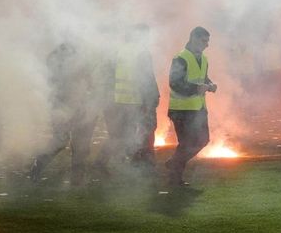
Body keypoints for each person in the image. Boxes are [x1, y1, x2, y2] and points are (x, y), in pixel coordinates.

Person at [30, 42, 98, 186]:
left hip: (81, 105)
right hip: (62, 106)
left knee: (80, 144)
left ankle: (77, 181)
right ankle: (39, 164)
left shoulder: (80, 59)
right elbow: (51, 85)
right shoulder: (55, 60)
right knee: (61, 141)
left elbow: (89, 82)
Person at [94, 24, 159, 174]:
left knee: (120, 135)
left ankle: (103, 162)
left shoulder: (119, 51)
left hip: (119, 100)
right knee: (141, 131)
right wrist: (152, 99)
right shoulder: (142, 53)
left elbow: (108, 76)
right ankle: (142, 163)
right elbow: (147, 79)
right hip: (135, 101)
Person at [166, 26, 217, 186]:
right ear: (193, 38)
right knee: (187, 144)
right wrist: (197, 88)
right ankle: (175, 177)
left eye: (207, 41)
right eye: (204, 41)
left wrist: (210, 83)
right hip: (181, 110)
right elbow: (174, 83)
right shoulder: (180, 58)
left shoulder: (204, 58)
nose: (206, 44)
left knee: (203, 140)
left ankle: (174, 163)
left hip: (198, 109)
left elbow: (203, 77)